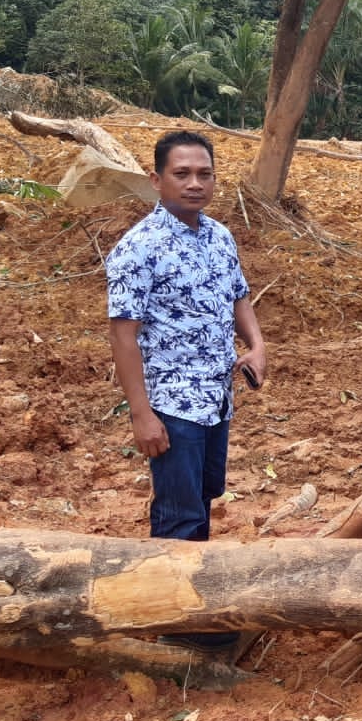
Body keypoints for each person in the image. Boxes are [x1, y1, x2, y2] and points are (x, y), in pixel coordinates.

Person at [106, 130, 266, 651]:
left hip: (216, 398)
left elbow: (239, 296)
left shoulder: (219, 236)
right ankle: (184, 633)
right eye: (182, 174)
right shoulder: (138, 248)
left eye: (204, 174)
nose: (195, 184)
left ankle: (186, 605)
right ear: (157, 180)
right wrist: (141, 414)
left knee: (201, 498)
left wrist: (257, 344)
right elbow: (123, 335)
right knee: (180, 513)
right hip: (171, 405)